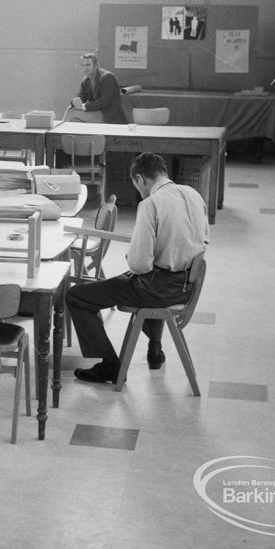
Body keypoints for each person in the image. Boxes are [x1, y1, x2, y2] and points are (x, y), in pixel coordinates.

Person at [66, 152, 209, 384]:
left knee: (77, 297)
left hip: (158, 289)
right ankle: (155, 349)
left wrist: (132, 256)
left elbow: (140, 265)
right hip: (186, 285)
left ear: (141, 179)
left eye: (137, 185)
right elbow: (203, 240)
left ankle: (110, 365)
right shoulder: (193, 195)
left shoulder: (150, 204)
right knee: (137, 278)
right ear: (163, 172)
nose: (139, 191)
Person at [64, 52, 126, 124]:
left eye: (88, 65)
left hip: (109, 117)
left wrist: (83, 106)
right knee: (75, 120)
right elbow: (81, 96)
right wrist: (76, 101)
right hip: (95, 114)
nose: (85, 68)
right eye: (83, 65)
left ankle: (57, 133)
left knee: (71, 112)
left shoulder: (108, 77)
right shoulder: (86, 80)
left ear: (96, 65)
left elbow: (103, 102)